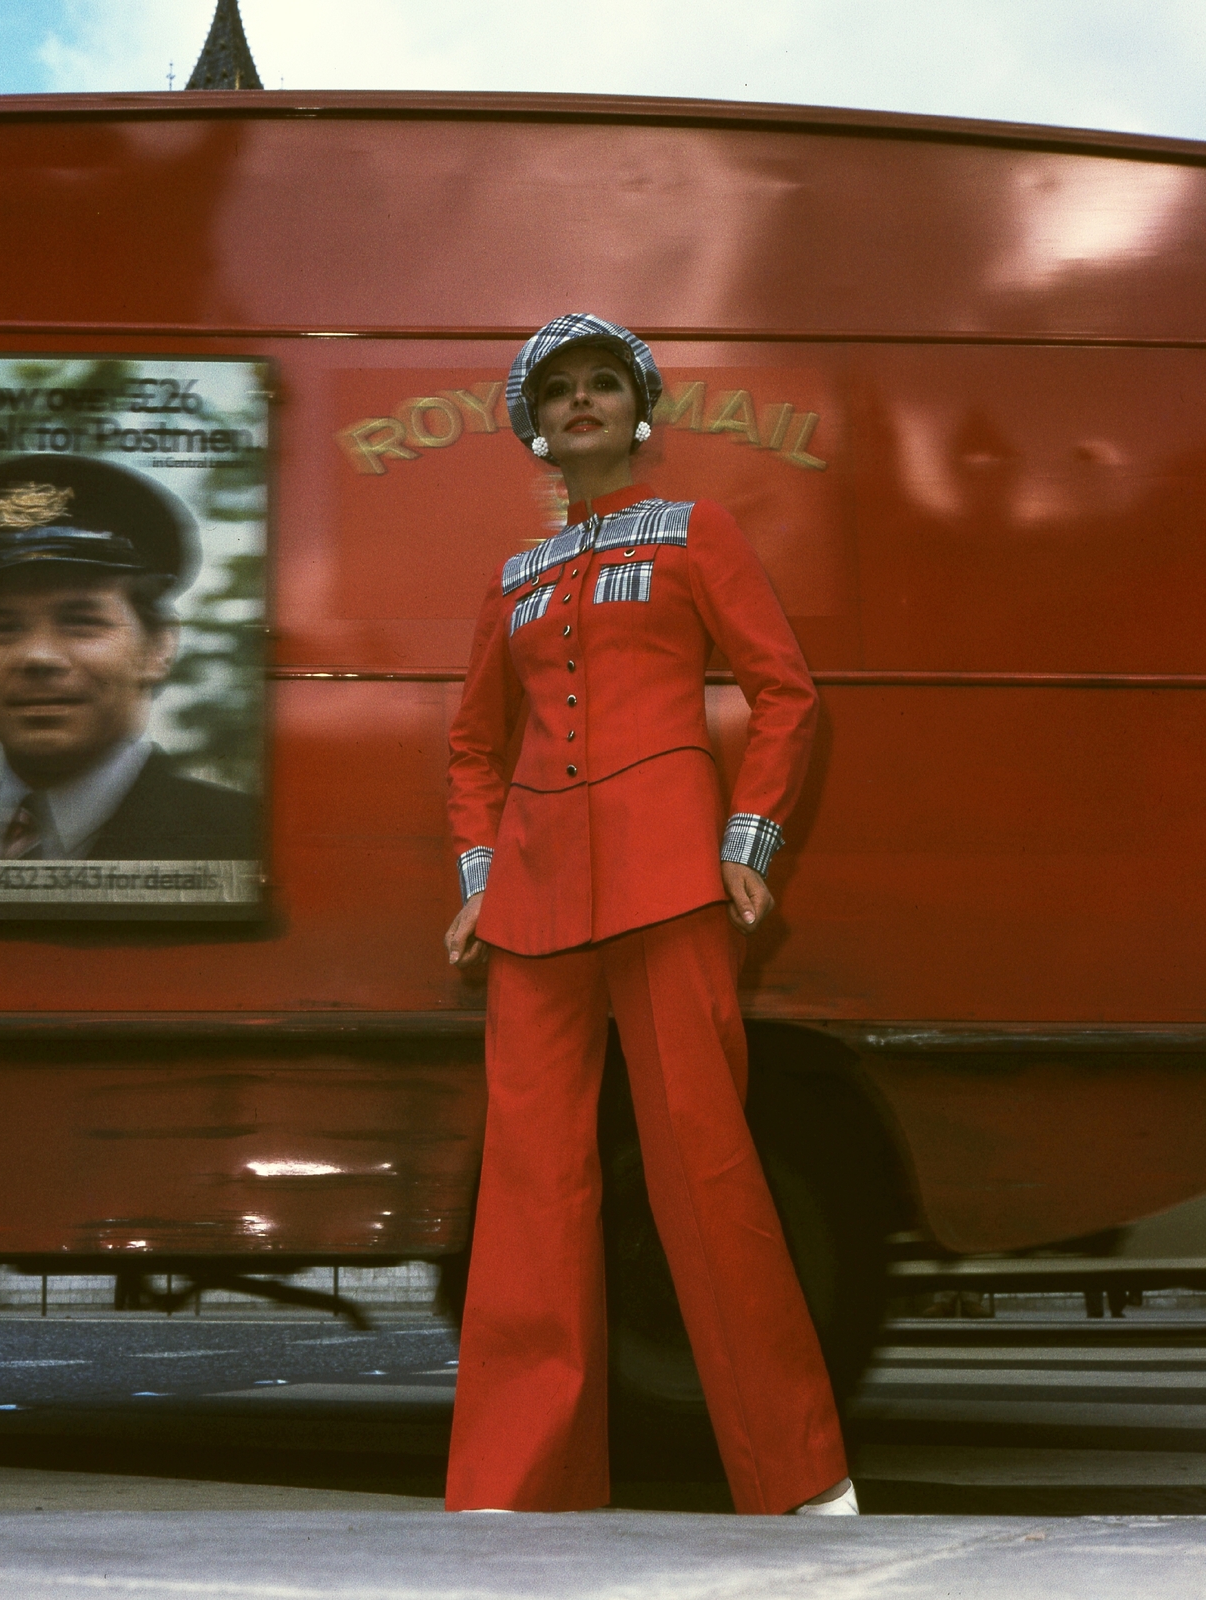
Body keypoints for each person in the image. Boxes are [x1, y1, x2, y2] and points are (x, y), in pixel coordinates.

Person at [442, 314, 856, 1516]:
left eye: (603, 384)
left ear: (638, 409)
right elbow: (471, 747)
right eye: (559, 389)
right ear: (535, 425)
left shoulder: (697, 532)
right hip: (529, 905)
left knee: (707, 1167)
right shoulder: (512, 577)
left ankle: (796, 1476)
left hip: (670, 878)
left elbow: (788, 695)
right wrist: (476, 880)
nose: (581, 402)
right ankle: (516, 1491)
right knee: (528, 1193)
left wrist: (750, 843)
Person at [0, 455, 257, 862]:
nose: (38, 656)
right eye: (2, 628)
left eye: (80, 622)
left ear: (158, 648)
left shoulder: (247, 844)